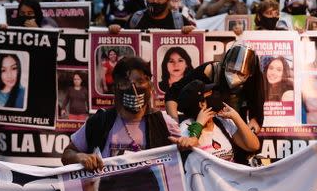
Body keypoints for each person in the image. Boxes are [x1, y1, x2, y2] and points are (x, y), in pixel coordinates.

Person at [61, 56, 194, 169]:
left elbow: (190, 156)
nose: (133, 88)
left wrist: (188, 146)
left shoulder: (164, 123)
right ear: (115, 88)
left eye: (140, 81)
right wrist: (80, 157)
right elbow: (67, 154)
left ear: (150, 86)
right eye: (125, 83)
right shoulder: (99, 121)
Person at [166, 44, 264, 136]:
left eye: (241, 74)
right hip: (205, 124)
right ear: (225, 64)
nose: (234, 76)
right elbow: (172, 93)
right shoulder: (211, 70)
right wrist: (175, 124)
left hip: (234, 124)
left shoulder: (254, 80)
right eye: (230, 70)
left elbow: (257, 105)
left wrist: (255, 119)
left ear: (250, 74)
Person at [178, 80, 260, 162]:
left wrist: (236, 117)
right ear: (201, 104)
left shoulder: (222, 122)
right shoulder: (185, 127)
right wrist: (199, 124)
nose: (215, 96)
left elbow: (254, 146)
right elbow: (191, 144)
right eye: (210, 94)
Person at [119, 0, 195, 32]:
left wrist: (189, 31)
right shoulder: (136, 18)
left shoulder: (179, 20)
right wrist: (115, 31)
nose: (155, 1)